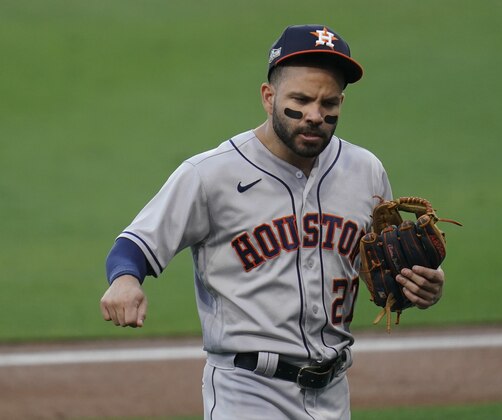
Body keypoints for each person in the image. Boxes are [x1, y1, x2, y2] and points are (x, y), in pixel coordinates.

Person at [100, 24, 445, 420]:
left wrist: (425, 283)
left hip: (334, 393)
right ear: (269, 97)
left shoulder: (365, 170)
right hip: (247, 391)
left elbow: (391, 258)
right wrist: (125, 281)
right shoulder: (211, 174)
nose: (316, 115)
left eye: (329, 103)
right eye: (300, 99)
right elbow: (135, 244)